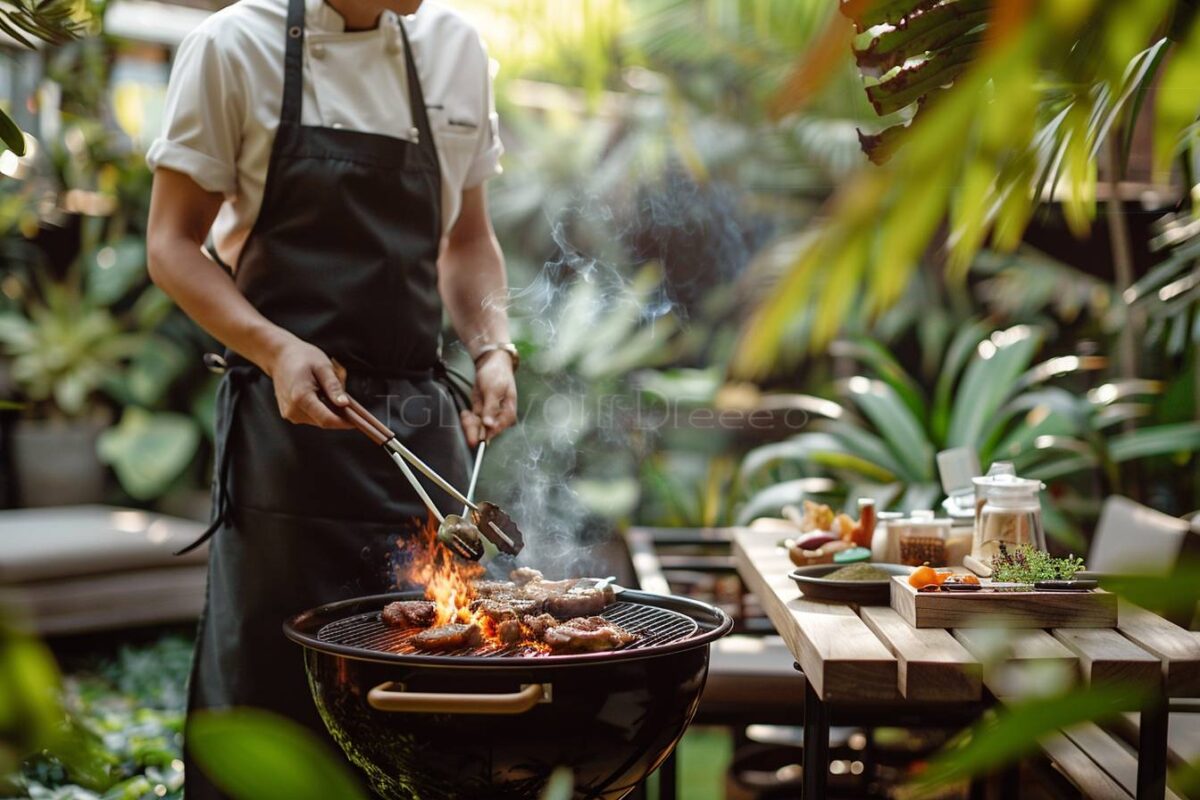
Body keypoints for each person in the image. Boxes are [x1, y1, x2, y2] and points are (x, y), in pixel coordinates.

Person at [144, 0, 516, 795]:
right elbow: (172, 244)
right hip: (289, 442)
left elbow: (468, 238)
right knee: (276, 702)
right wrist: (274, 347)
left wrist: (492, 348)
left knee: (436, 705)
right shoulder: (231, 48)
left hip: (422, 428)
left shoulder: (455, 47)